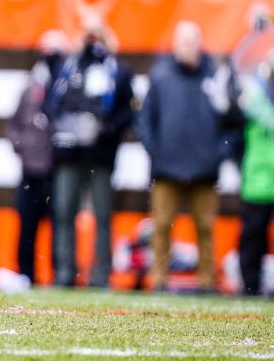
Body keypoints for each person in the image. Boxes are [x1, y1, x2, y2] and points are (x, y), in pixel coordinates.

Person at [138, 21, 236, 292]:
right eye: (183, 42)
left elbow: (232, 122)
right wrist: (156, 152)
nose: (188, 47)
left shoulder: (215, 76)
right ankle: (159, 279)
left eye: (192, 41)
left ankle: (207, 280)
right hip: (167, 169)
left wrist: (219, 154)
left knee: (205, 227)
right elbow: (145, 119)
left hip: (204, 169)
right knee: (161, 226)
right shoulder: (160, 76)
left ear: (200, 43)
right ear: (175, 44)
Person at [45, 23, 134, 288]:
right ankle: (64, 271)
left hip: (101, 154)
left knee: (102, 214)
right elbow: (51, 104)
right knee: (64, 211)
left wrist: (104, 128)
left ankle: (101, 274)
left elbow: (128, 113)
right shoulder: (69, 68)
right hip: (70, 152)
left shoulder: (117, 71)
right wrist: (69, 124)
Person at [8, 30, 68, 284]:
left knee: (60, 225)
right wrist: (24, 146)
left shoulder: (66, 86)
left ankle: (60, 275)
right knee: (27, 226)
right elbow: (12, 126)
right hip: (30, 169)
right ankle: (26, 274)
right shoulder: (30, 86)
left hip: (57, 169)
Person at [236, 39, 274, 296]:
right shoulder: (254, 96)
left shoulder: (254, 97)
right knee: (253, 236)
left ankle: (252, 284)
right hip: (259, 177)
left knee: (254, 236)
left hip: (259, 176)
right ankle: (250, 285)